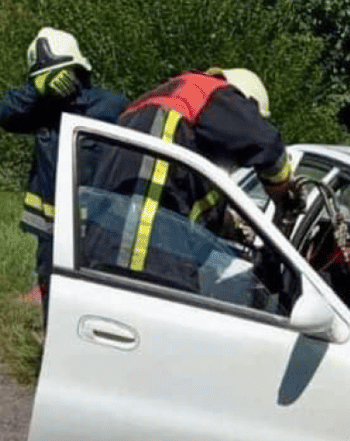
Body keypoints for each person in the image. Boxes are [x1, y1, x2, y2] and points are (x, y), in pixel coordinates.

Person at [82, 67, 304, 289]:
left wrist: (233, 226)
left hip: (100, 251)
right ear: (243, 104)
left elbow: (180, 196)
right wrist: (284, 193)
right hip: (147, 256)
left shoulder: (145, 109)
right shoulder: (207, 91)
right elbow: (266, 144)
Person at [0, 27, 128, 324]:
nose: (58, 83)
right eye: (46, 78)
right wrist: (37, 90)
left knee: (97, 296)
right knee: (52, 291)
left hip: (95, 228)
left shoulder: (109, 105)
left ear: (78, 69)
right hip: (51, 229)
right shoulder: (40, 110)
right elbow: (4, 115)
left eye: (60, 74)